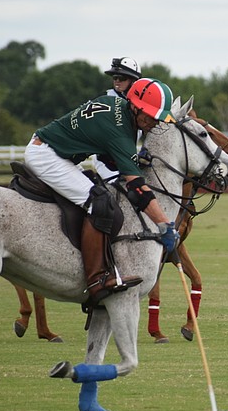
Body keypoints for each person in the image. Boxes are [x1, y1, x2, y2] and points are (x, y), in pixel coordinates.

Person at [24, 77, 180, 307]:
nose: (155, 123)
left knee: (100, 194)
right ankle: (97, 279)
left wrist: (131, 158)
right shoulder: (120, 130)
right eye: (151, 116)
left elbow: (105, 150)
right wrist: (165, 225)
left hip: (57, 152)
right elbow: (137, 187)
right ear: (136, 107)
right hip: (47, 156)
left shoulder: (113, 105)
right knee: (99, 202)